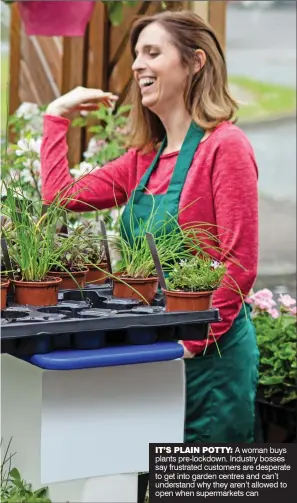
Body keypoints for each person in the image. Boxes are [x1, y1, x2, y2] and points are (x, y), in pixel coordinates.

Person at [41, 11, 259, 443]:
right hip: (158, 351)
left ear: (195, 63)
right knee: (143, 481)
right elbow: (59, 196)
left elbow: (240, 263)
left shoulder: (225, 146)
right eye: (137, 54)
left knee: (208, 488)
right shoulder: (146, 158)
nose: (138, 64)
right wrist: (56, 116)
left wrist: (191, 345)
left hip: (210, 358)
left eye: (153, 53)